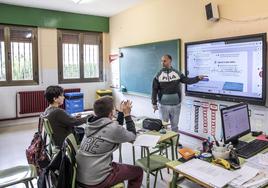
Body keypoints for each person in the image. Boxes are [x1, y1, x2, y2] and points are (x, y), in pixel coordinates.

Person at [76, 97, 143, 188]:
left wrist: (120, 112)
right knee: (138, 171)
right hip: (96, 180)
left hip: (79, 176)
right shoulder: (112, 128)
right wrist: (127, 114)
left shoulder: (90, 125)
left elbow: (115, 127)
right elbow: (132, 136)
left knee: (119, 167)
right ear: (111, 113)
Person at [152, 54, 206, 132]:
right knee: (163, 127)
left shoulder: (177, 73)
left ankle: (175, 143)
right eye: (161, 61)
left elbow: (187, 80)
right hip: (163, 106)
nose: (162, 63)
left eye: (164, 61)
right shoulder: (158, 75)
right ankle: (165, 143)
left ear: (170, 61)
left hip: (176, 106)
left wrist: (197, 78)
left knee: (175, 127)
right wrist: (154, 103)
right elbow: (154, 90)